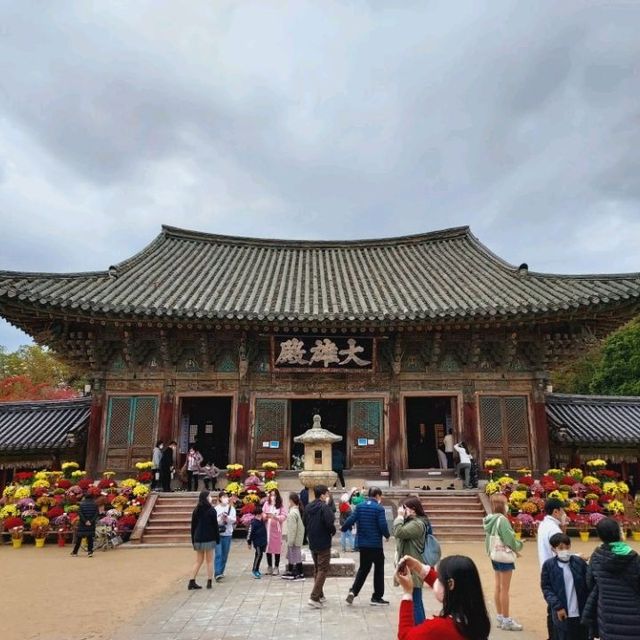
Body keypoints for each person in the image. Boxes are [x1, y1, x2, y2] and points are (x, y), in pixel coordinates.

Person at [396, 554, 491, 640]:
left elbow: (405, 636)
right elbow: (447, 588)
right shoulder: (477, 619)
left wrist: (407, 593)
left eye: (439, 578)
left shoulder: (437, 629)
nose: (436, 581)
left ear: (451, 584)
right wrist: (418, 567)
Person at [582, 517, 640, 640]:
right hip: (634, 615)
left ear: (600, 536)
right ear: (619, 533)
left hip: (607, 616)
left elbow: (590, 583)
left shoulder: (596, 557)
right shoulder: (634, 558)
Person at [342, 486, 391, 606]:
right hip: (375, 545)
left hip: (363, 544)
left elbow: (350, 519)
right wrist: (387, 535)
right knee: (379, 570)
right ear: (378, 496)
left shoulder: (360, 506)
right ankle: (377, 597)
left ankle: (354, 591)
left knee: (363, 569)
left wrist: (343, 528)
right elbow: (382, 525)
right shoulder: (379, 508)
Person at [483, 493, 524, 631]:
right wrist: (518, 546)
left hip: (495, 555)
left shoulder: (490, 519)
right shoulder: (502, 520)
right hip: (504, 555)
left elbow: (488, 540)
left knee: (498, 586)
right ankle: (506, 619)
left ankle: (500, 616)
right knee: (505, 589)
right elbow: (509, 540)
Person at [541, 533, 589, 640]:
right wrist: (558, 607)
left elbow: (588, 583)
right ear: (553, 549)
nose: (565, 550)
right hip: (562, 614)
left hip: (580, 612)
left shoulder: (579, 563)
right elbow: (546, 588)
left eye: (567, 547)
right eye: (560, 548)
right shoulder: (549, 566)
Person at [393, 497, 432, 624]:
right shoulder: (413, 522)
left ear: (413, 510)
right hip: (412, 564)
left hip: (414, 566)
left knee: (415, 600)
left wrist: (399, 517)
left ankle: (419, 629)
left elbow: (398, 532)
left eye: (405, 508)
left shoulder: (417, 524)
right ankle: (421, 627)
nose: (403, 511)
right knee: (416, 599)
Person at [538, 497, 566, 640]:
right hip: (556, 571)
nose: (564, 513)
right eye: (562, 510)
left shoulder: (544, 524)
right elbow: (562, 553)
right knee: (558, 608)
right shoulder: (553, 529)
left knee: (552, 607)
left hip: (546, 568)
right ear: (556, 512)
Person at [303, 484, 336, 608]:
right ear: (322, 495)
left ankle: (320, 594)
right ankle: (314, 597)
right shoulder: (324, 507)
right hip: (323, 542)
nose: (328, 496)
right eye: (327, 493)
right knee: (323, 569)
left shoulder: (308, 507)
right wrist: (332, 531)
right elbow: (330, 522)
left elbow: (304, 522)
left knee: (317, 568)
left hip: (312, 541)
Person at [188, 490, 220, 590]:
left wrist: (193, 539)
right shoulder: (211, 510)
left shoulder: (196, 510)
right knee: (209, 561)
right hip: (209, 537)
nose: (211, 498)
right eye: (209, 496)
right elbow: (215, 526)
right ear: (206, 498)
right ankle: (209, 581)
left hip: (198, 537)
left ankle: (191, 581)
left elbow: (193, 526)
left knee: (198, 561)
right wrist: (217, 538)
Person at [262, 488, 287, 575]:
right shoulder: (266, 504)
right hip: (267, 529)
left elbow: (284, 516)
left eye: (274, 495)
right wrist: (266, 516)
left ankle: (276, 566)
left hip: (276, 530)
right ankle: (269, 566)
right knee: (268, 547)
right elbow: (263, 513)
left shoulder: (280, 505)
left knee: (276, 548)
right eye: (271, 495)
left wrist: (277, 517)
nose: (273, 497)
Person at [281, 492, 305, 580]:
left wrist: (290, 541)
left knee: (295, 556)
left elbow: (292, 529)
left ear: (291, 501)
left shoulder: (292, 513)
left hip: (294, 539)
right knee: (294, 556)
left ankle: (299, 573)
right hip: (297, 539)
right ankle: (294, 572)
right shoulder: (296, 511)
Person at [214, 490, 236, 582]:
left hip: (227, 533)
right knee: (218, 554)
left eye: (226, 497)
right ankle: (217, 573)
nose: (225, 499)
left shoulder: (231, 508)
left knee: (224, 554)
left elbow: (234, 520)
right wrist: (220, 518)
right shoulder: (216, 509)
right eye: (223, 497)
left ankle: (221, 571)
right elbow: (214, 521)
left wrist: (227, 518)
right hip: (218, 534)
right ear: (219, 498)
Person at [70, 493, 99, 557]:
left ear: (85, 497)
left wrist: (85, 521)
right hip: (91, 524)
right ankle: (90, 552)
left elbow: (80, 513)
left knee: (79, 538)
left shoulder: (82, 504)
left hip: (82, 523)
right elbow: (96, 514)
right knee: (90, 538)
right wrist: (90, 521)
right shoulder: (95, 504)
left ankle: (75, 552)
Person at [247, 506, 268, 578]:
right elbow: (250, 533)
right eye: (260, 514)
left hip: (262, 541)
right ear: (256, 514)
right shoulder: (253, 523)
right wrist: (249, 542)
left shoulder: (262, 521)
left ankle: (257, 569)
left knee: (260, 555)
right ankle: (254, 569)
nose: (261, 515)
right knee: (258, 555)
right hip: (257, 542)